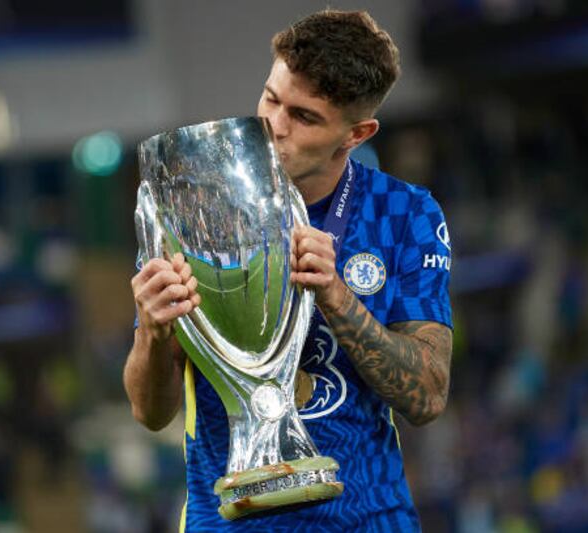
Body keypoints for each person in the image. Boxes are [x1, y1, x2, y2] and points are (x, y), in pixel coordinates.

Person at [125, 9, 453, 532]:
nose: (273, 126)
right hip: (230, 519)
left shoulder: (405, 215)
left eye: (304, 117)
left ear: (357, 133)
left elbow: (428, 395)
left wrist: (337, 297)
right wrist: (154, 332)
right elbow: (150, 412)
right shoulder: (192, 212)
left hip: (367, 520)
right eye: (271, 98)